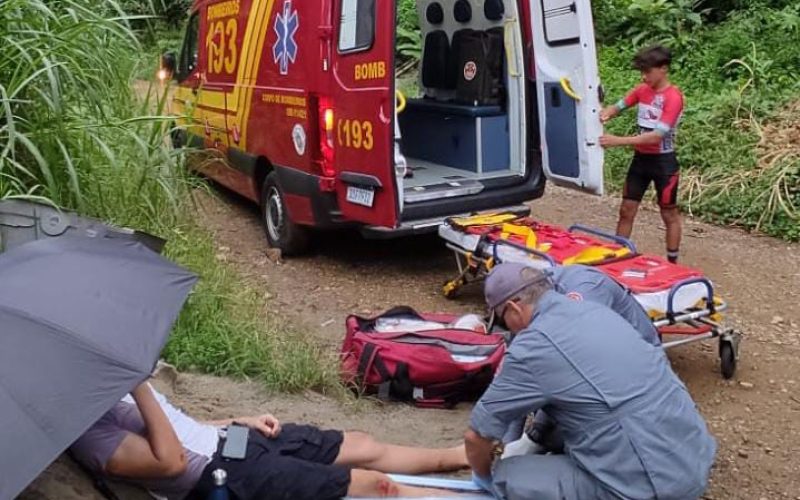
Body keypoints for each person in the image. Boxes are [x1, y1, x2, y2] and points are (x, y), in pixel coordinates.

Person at [466, 264, 716, 500]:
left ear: (514, 308)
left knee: (511, 474)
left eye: (501, 321)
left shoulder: (533, 346)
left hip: (654, 484)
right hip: (693, 456)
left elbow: (477, 437)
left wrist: (485, 477)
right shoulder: (595, 310)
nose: (506, 330)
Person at [70, 382, 469, 500]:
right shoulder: (89, 435)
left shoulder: (112, 387)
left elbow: (182, 425)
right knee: (372, 485)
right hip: (225, 474)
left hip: (234, 439)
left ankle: (455, 456)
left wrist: (236, 419)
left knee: (360, 444)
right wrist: (138, 385)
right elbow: (172, 460)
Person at [600, 45, 685, 264]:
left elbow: (656, 136)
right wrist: (606, 112)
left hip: (663, 163)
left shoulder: (673, 97)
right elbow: (619, 106)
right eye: (642, 71)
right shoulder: (642, 90)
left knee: (668, 214)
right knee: (626, 209)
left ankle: (672, 262)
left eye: (648, 71)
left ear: (663, 69)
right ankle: (616, 257)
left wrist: (618, 141)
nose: (643, 76)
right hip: (640, 161)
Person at [548, 263, 660, 346]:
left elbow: (580, 337)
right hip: (616, 345)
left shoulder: (586, 289)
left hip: (640, 351)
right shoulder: (548, 282)